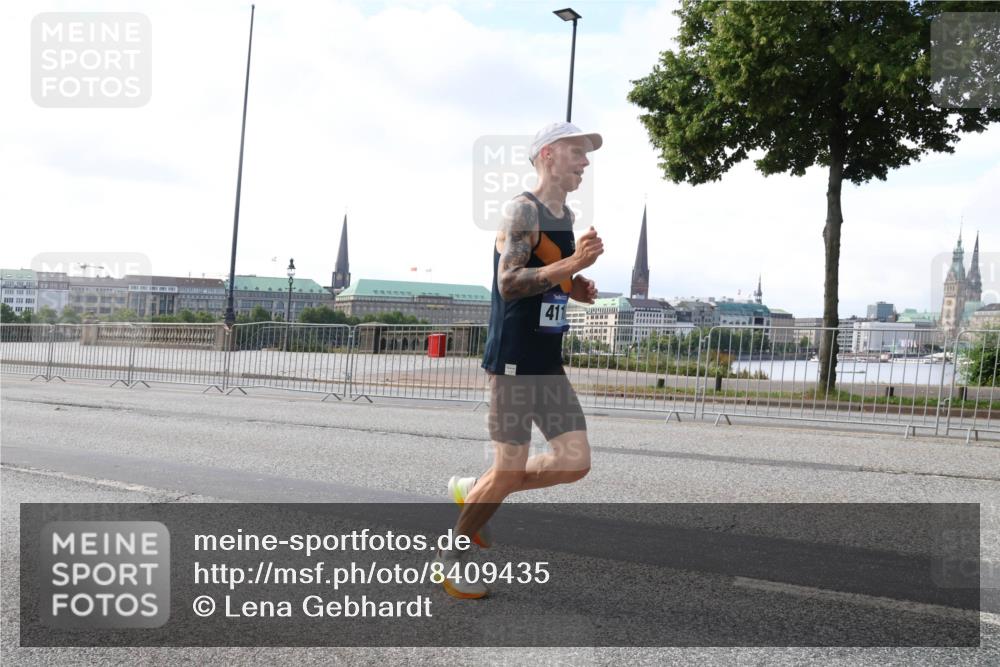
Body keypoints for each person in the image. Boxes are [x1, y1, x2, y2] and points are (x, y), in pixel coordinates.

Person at [435, 122, 604, 599]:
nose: (585, 162)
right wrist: (572, 266)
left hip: (547, 359)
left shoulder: (564, 215)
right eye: (577, 152)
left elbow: (547, 277)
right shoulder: (521, 210)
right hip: (513, 361)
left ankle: (479, 489)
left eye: (587, 155)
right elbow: (510, 281)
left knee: (575, 462)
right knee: (508, 468)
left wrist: (577, 288)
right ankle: (453, 558)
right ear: (548, 155)